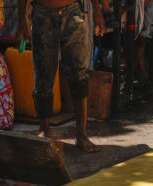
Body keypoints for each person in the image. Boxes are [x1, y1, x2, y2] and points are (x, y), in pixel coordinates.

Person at [16, 0, 105, 152]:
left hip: (73, 13)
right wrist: (22, 20)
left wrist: (98, 12)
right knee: (43, 74)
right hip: (42, 14)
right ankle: (44, 129)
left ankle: (81, 135)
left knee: (79, 74)